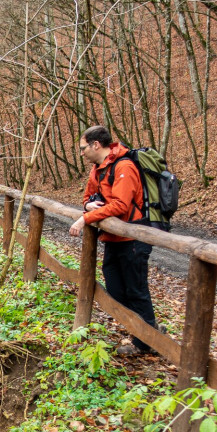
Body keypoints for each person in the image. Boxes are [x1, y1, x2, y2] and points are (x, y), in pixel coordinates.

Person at [68, 125, 158, 355]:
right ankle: (149, 332)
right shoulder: (97, 169)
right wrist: (88, 205)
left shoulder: (124, 166)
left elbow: (120, 205)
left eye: (82, 148)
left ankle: (145, 342)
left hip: (133, 238)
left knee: (136, 290)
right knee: (116, 290)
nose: (81, 153)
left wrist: (85, 218)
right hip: (113, 239)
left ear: (95, 145)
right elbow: (88, 197)